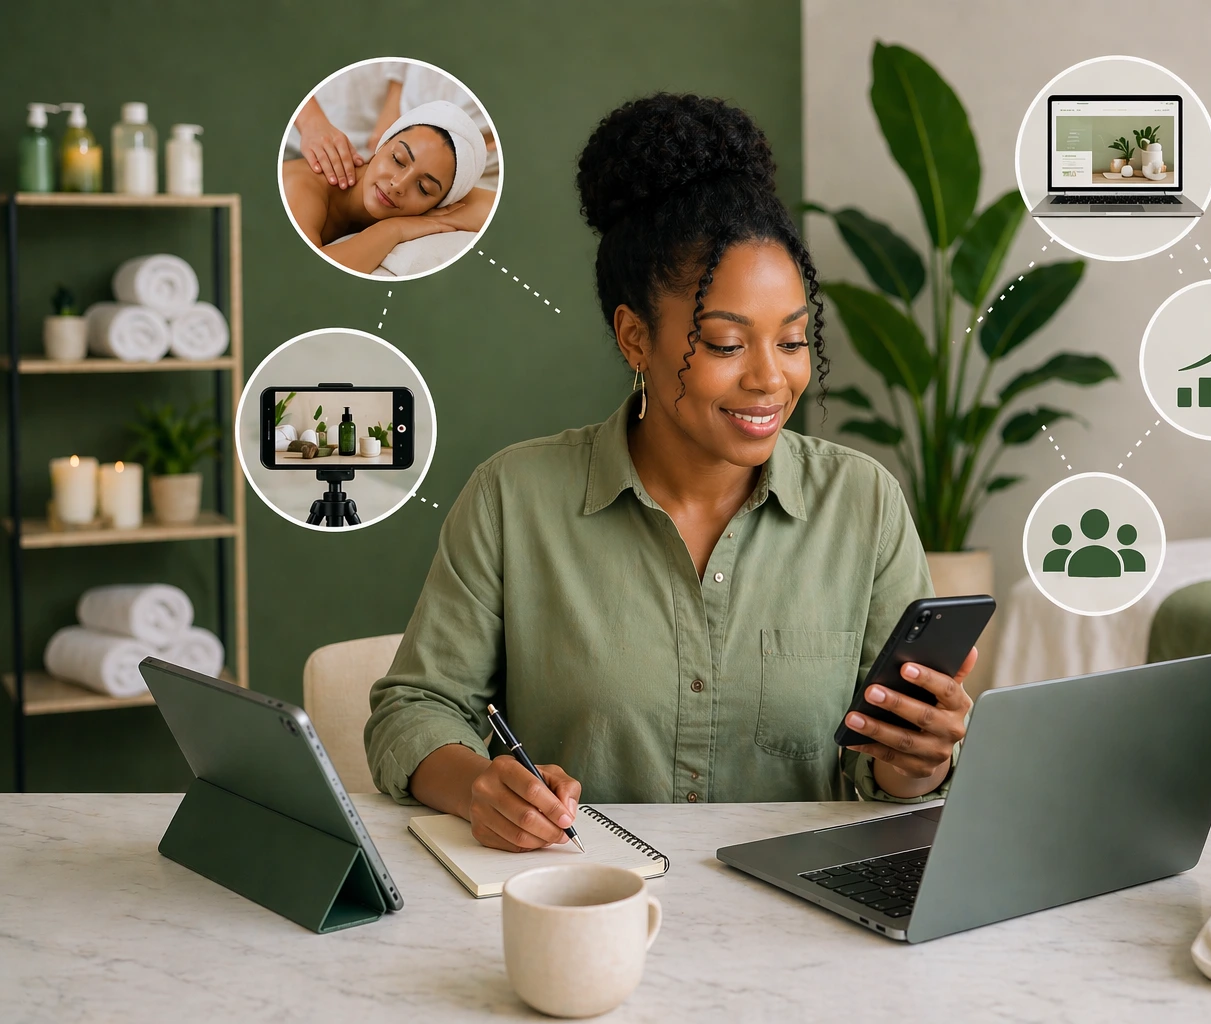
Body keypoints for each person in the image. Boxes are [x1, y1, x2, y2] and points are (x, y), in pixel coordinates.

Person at [365, 93, 974, 853]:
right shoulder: (513, 497)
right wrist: (479, 785)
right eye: (725, 344)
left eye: (792, 341)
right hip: (585, 904)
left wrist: (917, 763)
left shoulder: (864, 505)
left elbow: (878, 783)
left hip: (801, 926)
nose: (770, 380)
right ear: (633, 337)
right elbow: (413, 708)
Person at [282, 99, 493, 273]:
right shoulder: (300, 186)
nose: (398, 184)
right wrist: (395, 229)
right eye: (398, 159)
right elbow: (308, 273)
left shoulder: (435, 203)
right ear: (382, 145)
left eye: (423, 188)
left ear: (438, 204)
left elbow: (504, 212)